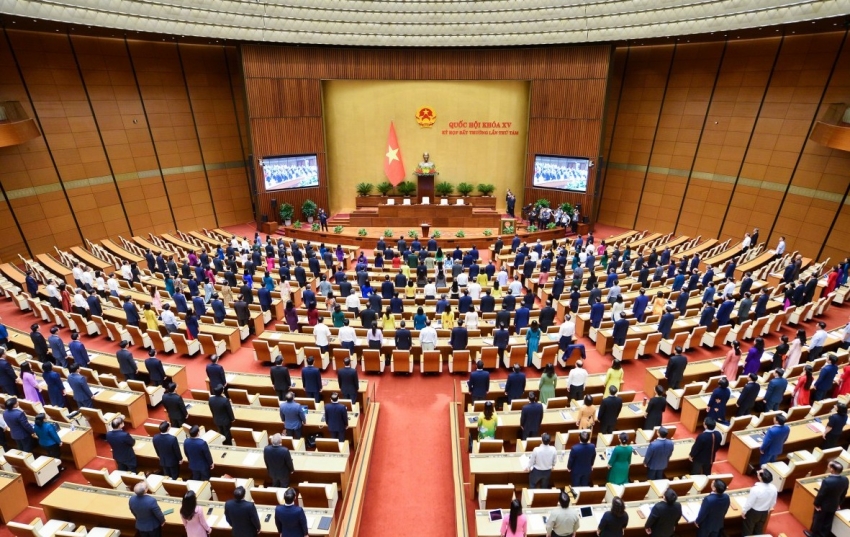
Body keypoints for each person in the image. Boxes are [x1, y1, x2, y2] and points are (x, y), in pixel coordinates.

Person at [805, 460, 849, 537]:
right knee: (828, 522)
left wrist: (816, 504)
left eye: (829, 465)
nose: (827, 466)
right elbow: (844, 493)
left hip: (823, 506)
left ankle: (814, 535)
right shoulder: (845, 479)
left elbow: (821, 494)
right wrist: (839, 503)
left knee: (818, 520)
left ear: (832, 469)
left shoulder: (827, 481)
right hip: (835, 504)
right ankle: (823, 535)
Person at [741, 469, 778, 536]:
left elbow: (750, 503)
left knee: (747, 530)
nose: (757, 472)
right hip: (764, 512)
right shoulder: (774, 488)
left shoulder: (756, 489)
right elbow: (773, 502)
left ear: (760, 477)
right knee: (759, 531)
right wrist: (768, 510)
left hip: (753, 513)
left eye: (759, 472)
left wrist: (744, 511)